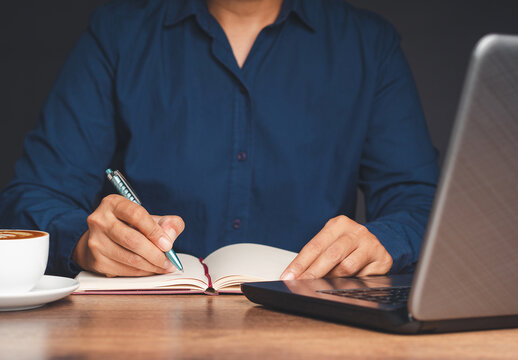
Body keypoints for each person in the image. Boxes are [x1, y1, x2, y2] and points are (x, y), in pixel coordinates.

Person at [0, 0, 438, 280]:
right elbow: (33, 197)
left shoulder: (367, 43)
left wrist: (386, 239)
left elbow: (419, 200)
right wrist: (82, 241)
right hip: (145, 326)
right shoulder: (119, 32)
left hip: (317, 320)